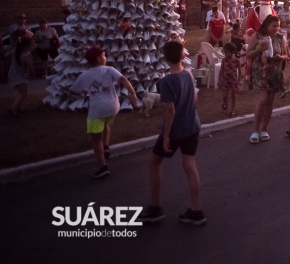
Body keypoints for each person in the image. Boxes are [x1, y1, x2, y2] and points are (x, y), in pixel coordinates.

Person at [139, 40, 203, 225]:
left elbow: (170, 110)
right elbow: (195, 98)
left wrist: (166, 136)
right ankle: (197, 211)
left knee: (154, 162)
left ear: (166, 58)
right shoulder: (189, 74)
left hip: (177, 130)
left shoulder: (166, 81)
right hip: (193, 126)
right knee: (190, 165)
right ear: (183, 55)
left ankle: (155, 207)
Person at [70, 46, 139, 179]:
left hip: (97, 109)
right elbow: (123, 79)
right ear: (98, 59)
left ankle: (103, 167)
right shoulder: (109, 70)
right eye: (104, 55)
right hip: (113, 107)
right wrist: (133, 93)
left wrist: (86, 91)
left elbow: (74, 91)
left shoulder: (85, 76)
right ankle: (106, 146)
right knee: (106, 122)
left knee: (96, 140)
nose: (106, 57)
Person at [247, 15, 288, 144]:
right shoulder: (257, 36)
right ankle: (255, 130)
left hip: (274, 73)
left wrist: (281, 57)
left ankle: (264, 129)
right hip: (260, 73)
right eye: (274, 26)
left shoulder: (281, 38)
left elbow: (287, 55)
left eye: (278, 26)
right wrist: (259, 49)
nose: (276, 29)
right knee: (262, 100)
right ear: (267, 25)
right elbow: (248, 54)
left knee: (270, 102)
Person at [7, 37, 34, 116]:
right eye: (32, 44)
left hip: (13, 74)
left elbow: (6, 55)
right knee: (23, 92)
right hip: (18, 76)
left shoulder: (16, 51)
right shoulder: (26, 55)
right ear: (26, 46)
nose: (33, 45)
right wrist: (33, 74)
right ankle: (13, 109)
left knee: (20, 92)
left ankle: (16, 107)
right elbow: (30, 67)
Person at [218, 42, 240, 118]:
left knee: (233, 95)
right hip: (225, 79)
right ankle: (225, 101)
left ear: (232, 52)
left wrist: (239, 80)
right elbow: (221, 71)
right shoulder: (224, 61)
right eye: (225, 52)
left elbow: (240, 71)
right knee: (225, 95)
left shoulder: (237, 61)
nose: (226, 54)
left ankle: (232, 110)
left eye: (227, 52)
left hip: (233, 80)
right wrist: (219, 80)